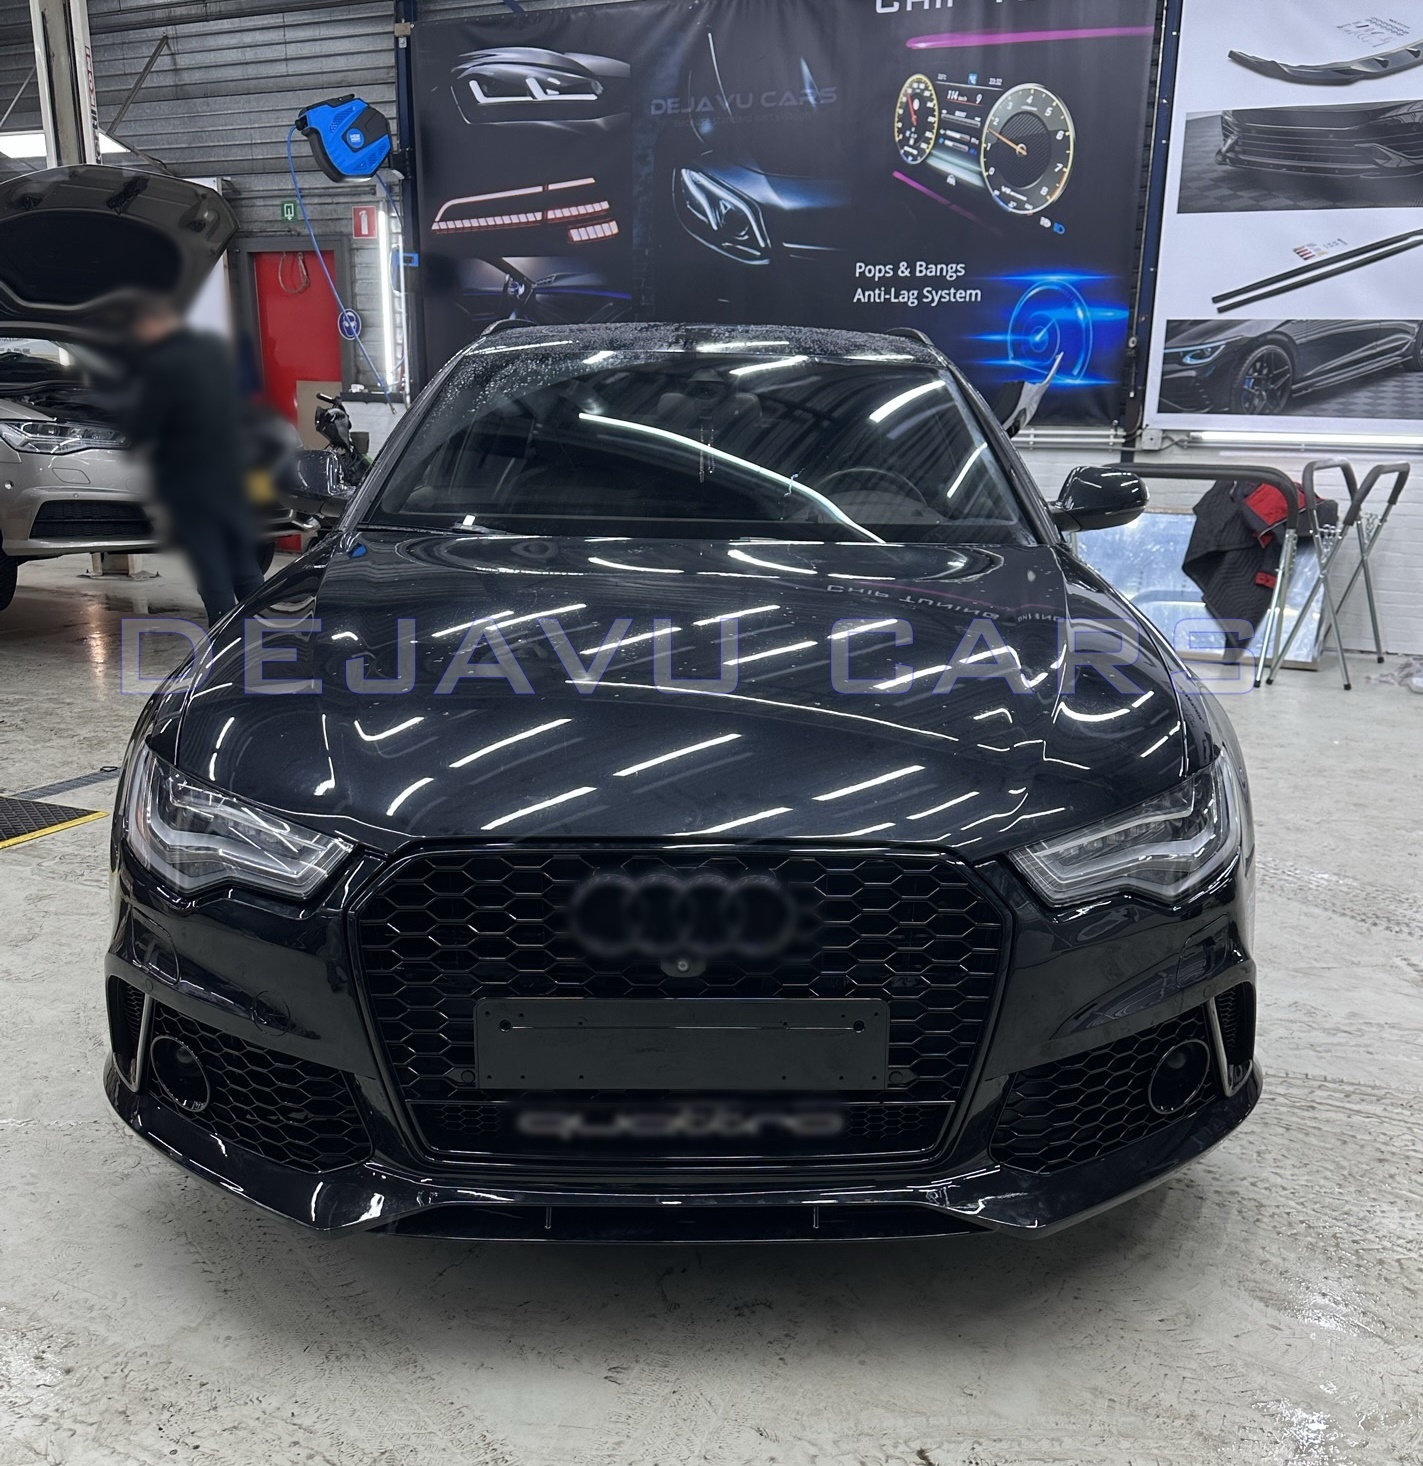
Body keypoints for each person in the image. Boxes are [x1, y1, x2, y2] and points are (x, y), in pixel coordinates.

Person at [125, 294, 265, 623]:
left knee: (211, 567)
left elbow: (144, 426)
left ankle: (226, 641)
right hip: (231, 474)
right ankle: (263, 634)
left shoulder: (159, 364)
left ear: (151, 324)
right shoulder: (212, 350)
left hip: (190, 481)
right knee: (243, 562)